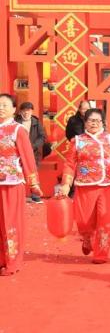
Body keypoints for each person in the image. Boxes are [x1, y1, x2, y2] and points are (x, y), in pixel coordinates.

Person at [58, 108, 110, 264]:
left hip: (106, 185)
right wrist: (66, 184)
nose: (94, 123)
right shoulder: (77, 141)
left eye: (97, 121)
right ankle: (87, 237)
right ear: (85, 122)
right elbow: (69, 164)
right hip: (85, 185)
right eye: (91, 120)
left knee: (105, 218)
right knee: (83, 221)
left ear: (103, 123)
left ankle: (101, 253)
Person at [0, 93, 43, 276]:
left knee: (11, 223)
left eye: (4, 105)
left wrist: (34, 184)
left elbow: (28, 158)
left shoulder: (18, 130)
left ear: (13, 109)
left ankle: (12, 261)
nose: (0, 108)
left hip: (11, 183)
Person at [15, 102, 46, 203]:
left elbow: (42, 137)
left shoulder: (36, 122)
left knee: (33, 172)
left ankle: (35, 195)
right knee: (18, 173)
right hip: (18, 153)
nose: (26, 113)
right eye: (24, 110)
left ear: (32, 111)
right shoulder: (16, 122)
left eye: (28, 110)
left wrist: (33, 146)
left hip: (33, 153)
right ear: (20, 112)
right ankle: (19, 195)